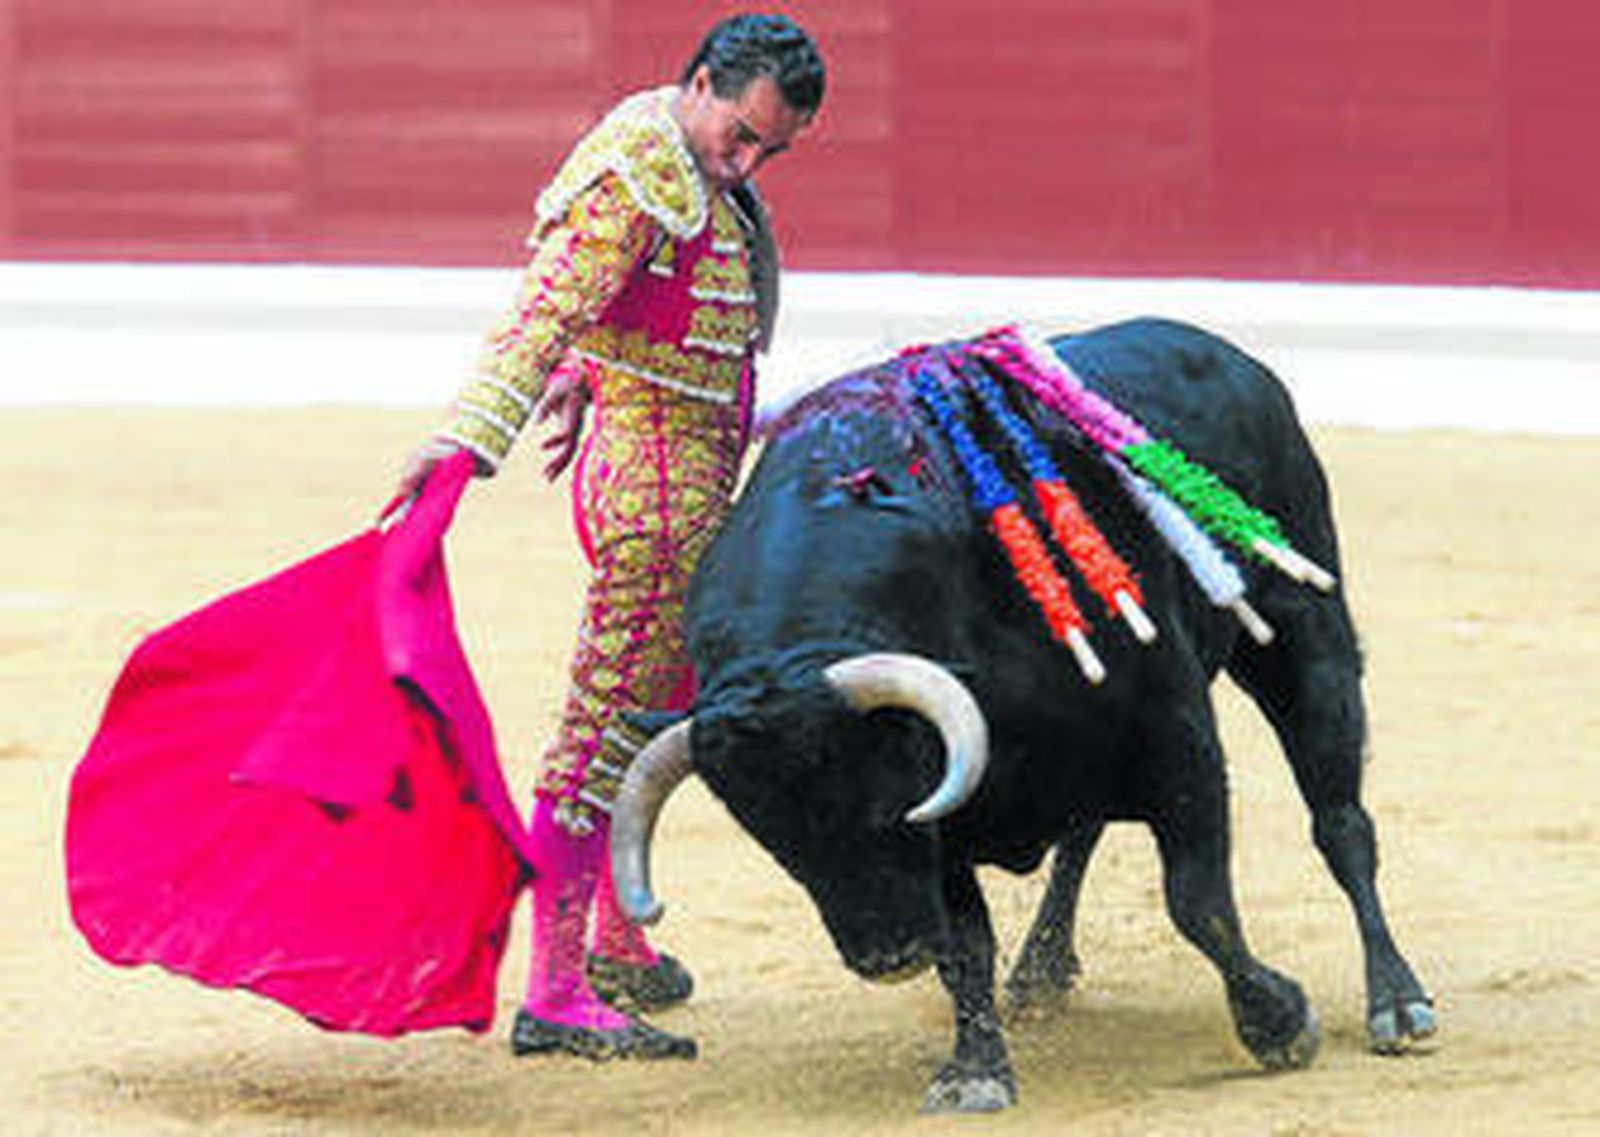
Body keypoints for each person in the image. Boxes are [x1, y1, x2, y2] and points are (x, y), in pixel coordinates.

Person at [398, 14, 826, 1060]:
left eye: (770, 149)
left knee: (650, 709)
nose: (746, 161)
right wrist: (461, 454)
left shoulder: (685, 160)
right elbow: (542, 313)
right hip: (653, 498)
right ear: (699, 83)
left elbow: (641, 308)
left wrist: (598, 370)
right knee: (599, 733)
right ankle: (552, 994)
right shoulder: (639, 169)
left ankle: (615, 939)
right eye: (740, 134)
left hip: (678, 477)